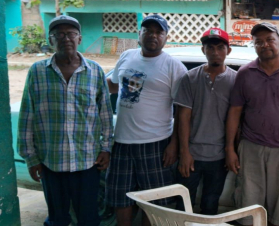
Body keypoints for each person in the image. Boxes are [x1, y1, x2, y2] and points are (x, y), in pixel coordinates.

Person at [18, 15, 114, 226]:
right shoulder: (37, 71)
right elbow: (27, 115)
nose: (65, 38)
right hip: (51, 162)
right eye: (58, 34)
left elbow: (105, 113)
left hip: (87, 162)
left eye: (70, 33)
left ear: (79, 38)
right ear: (51, 40)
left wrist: (106, 148)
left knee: (88, 219)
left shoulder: (95, 71)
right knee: (57, 219)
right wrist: (30, 157)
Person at [225, 22, 279, 226]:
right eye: (259, 42)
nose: (265, 45)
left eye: (270, 40)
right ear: (253, 45)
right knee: (248, 211)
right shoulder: (245, 74)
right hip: (251, 149)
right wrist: (230, 148)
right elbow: (234, 112)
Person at [106, 14, 187, 226]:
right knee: (120, 198)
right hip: (121, 141)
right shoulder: (126, 56)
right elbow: (113, 85)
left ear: (166, 37)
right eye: (148, 31)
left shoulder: (174, 66)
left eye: (159, 32)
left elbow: (182, 110)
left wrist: (174, 144)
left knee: (153, 203)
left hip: (156, 143)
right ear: (139, 34)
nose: (153, 35)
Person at [175, 28, 236, 215]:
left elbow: (237, 120)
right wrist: (184, 152)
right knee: (183, 206)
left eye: (220, 47)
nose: (215, 52)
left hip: (219, 157)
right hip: (192, 154)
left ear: (228, 50)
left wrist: (230, 150)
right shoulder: (190, 78)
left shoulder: (236, 80)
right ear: (203, 50)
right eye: (210, 47)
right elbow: (183, 116)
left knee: (210, 205)